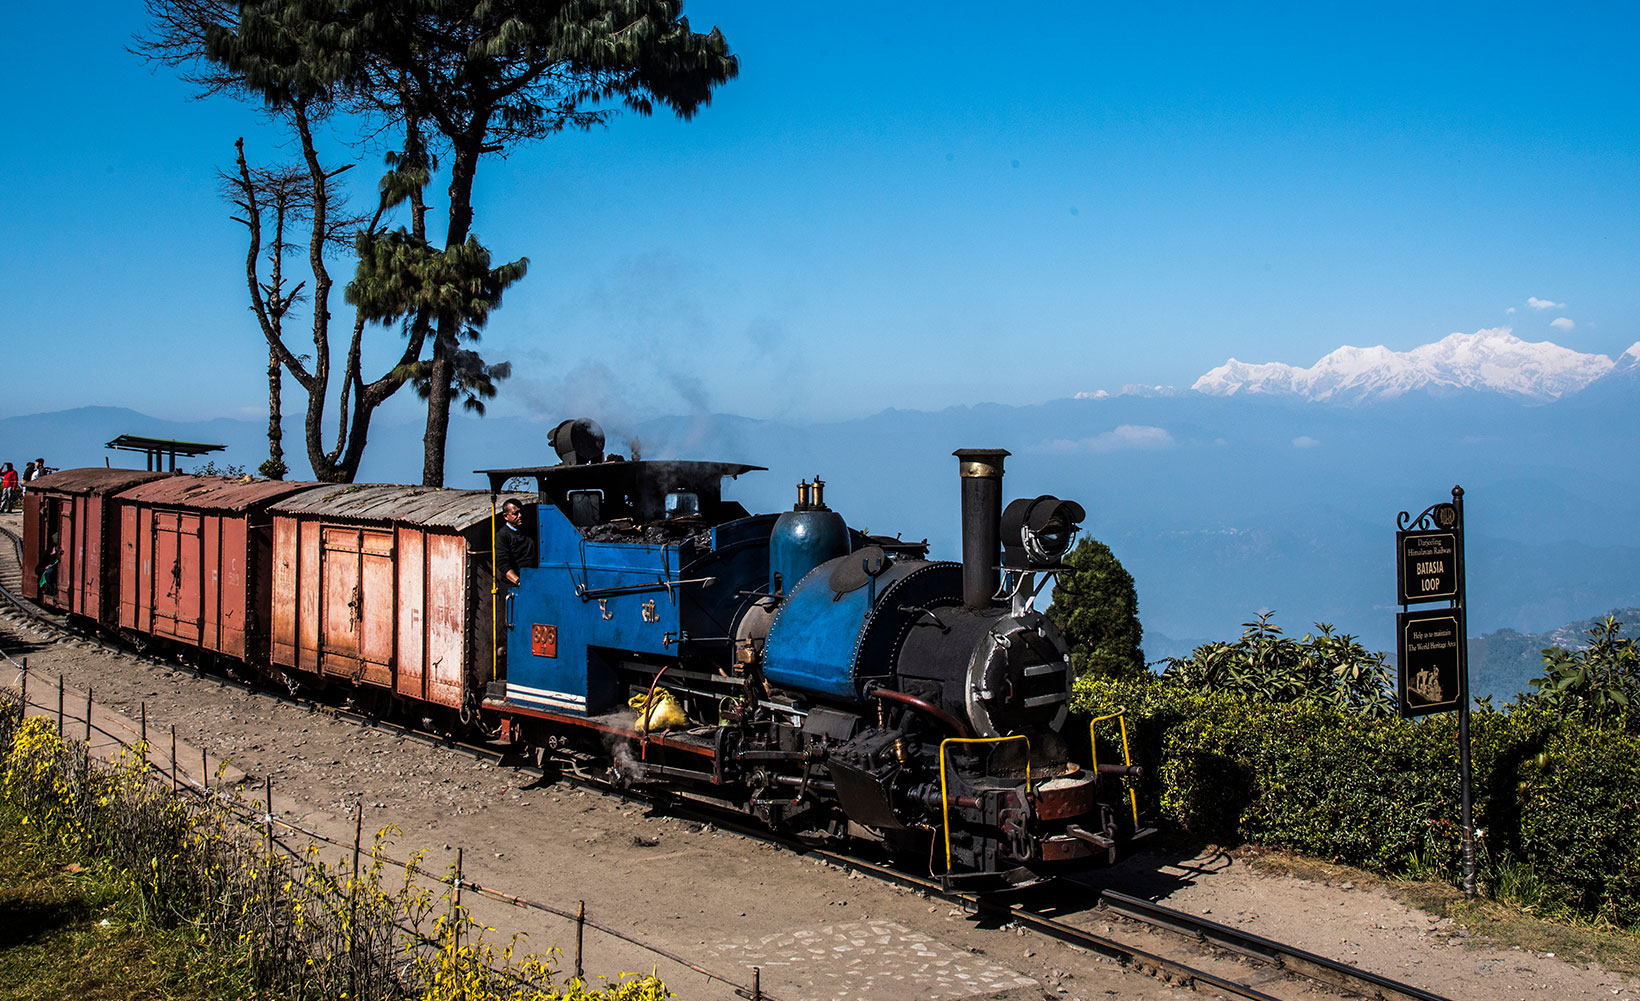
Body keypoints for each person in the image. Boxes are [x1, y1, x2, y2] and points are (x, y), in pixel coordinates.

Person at [494, 498, 538, 588]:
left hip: (531, 581)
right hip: (513, 585)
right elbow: (503, 564)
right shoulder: (502, 535)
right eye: (515, 514)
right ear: (505, 516)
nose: (520, 515)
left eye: (521, 512)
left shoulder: (529, 531)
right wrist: (518, 582)